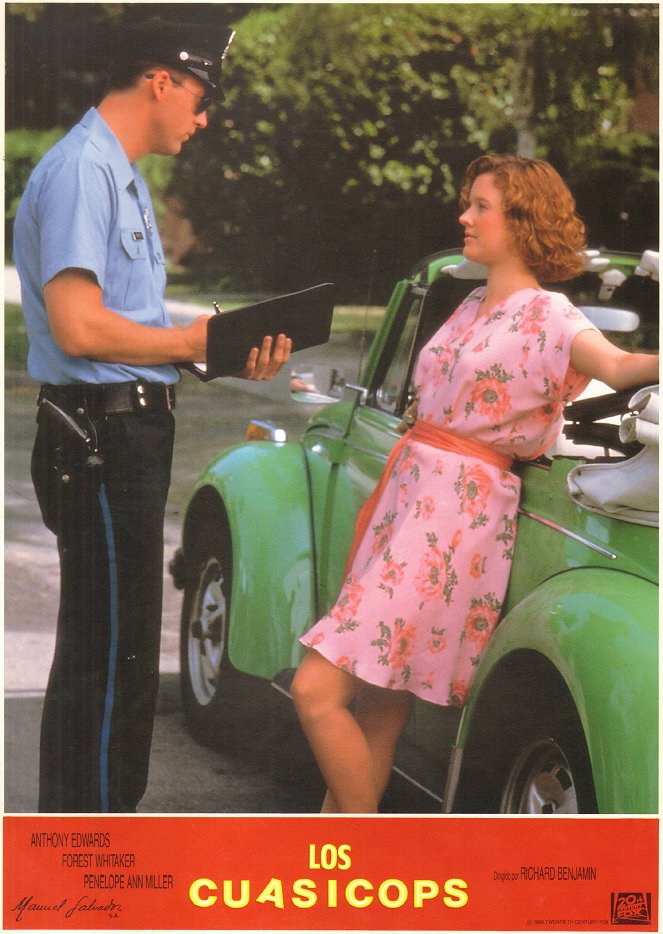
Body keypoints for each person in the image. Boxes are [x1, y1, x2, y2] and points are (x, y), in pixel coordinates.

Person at [291, 153, 659, 814]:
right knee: (379, 706)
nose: (463, 216)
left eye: (480, 206)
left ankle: (362, 854)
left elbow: (617, 364)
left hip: (454, 513)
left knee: (316, 691)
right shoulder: (467, 301)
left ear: (520, 220)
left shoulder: (551, 315)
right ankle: (339, 861)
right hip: (409, 497)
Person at [13, 18, 291, 813]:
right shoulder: (83, 171)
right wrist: (189, 340)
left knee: (119, 657)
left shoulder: (120, 174)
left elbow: (125, 325)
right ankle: (90, 871)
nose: (203, 119)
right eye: (202, 97)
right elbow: (78, 327)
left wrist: (214, 349)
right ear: (161, 80)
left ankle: (91, 850)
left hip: (123, 433)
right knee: (109, 661)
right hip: (97, 437)